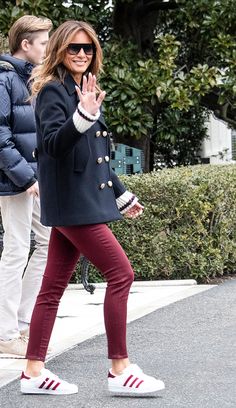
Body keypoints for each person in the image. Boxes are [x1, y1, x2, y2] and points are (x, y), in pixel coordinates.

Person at [20, 20, 165, 396]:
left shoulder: (84, 88)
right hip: (72, 205)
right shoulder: (53, 91)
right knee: (122, 274)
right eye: (74, 48)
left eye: (88, 48)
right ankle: (119, 369)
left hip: (77, 201)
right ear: (60, 51)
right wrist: (81, 117)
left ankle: (33, 372)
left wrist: (120, 193)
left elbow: (97, 156)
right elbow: (53, 145)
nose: (81, 54)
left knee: (51, 288)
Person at [0, 15, 52, 357]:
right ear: (25, 45)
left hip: (35, 178)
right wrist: (26, 177)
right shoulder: (4, 80)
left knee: (48, 243)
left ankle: (21, 323)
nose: (48, 48)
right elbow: (1, 136)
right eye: (44, 43)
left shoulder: (32, 79)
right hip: (13, 181)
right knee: (17, 249)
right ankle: (5, 335)